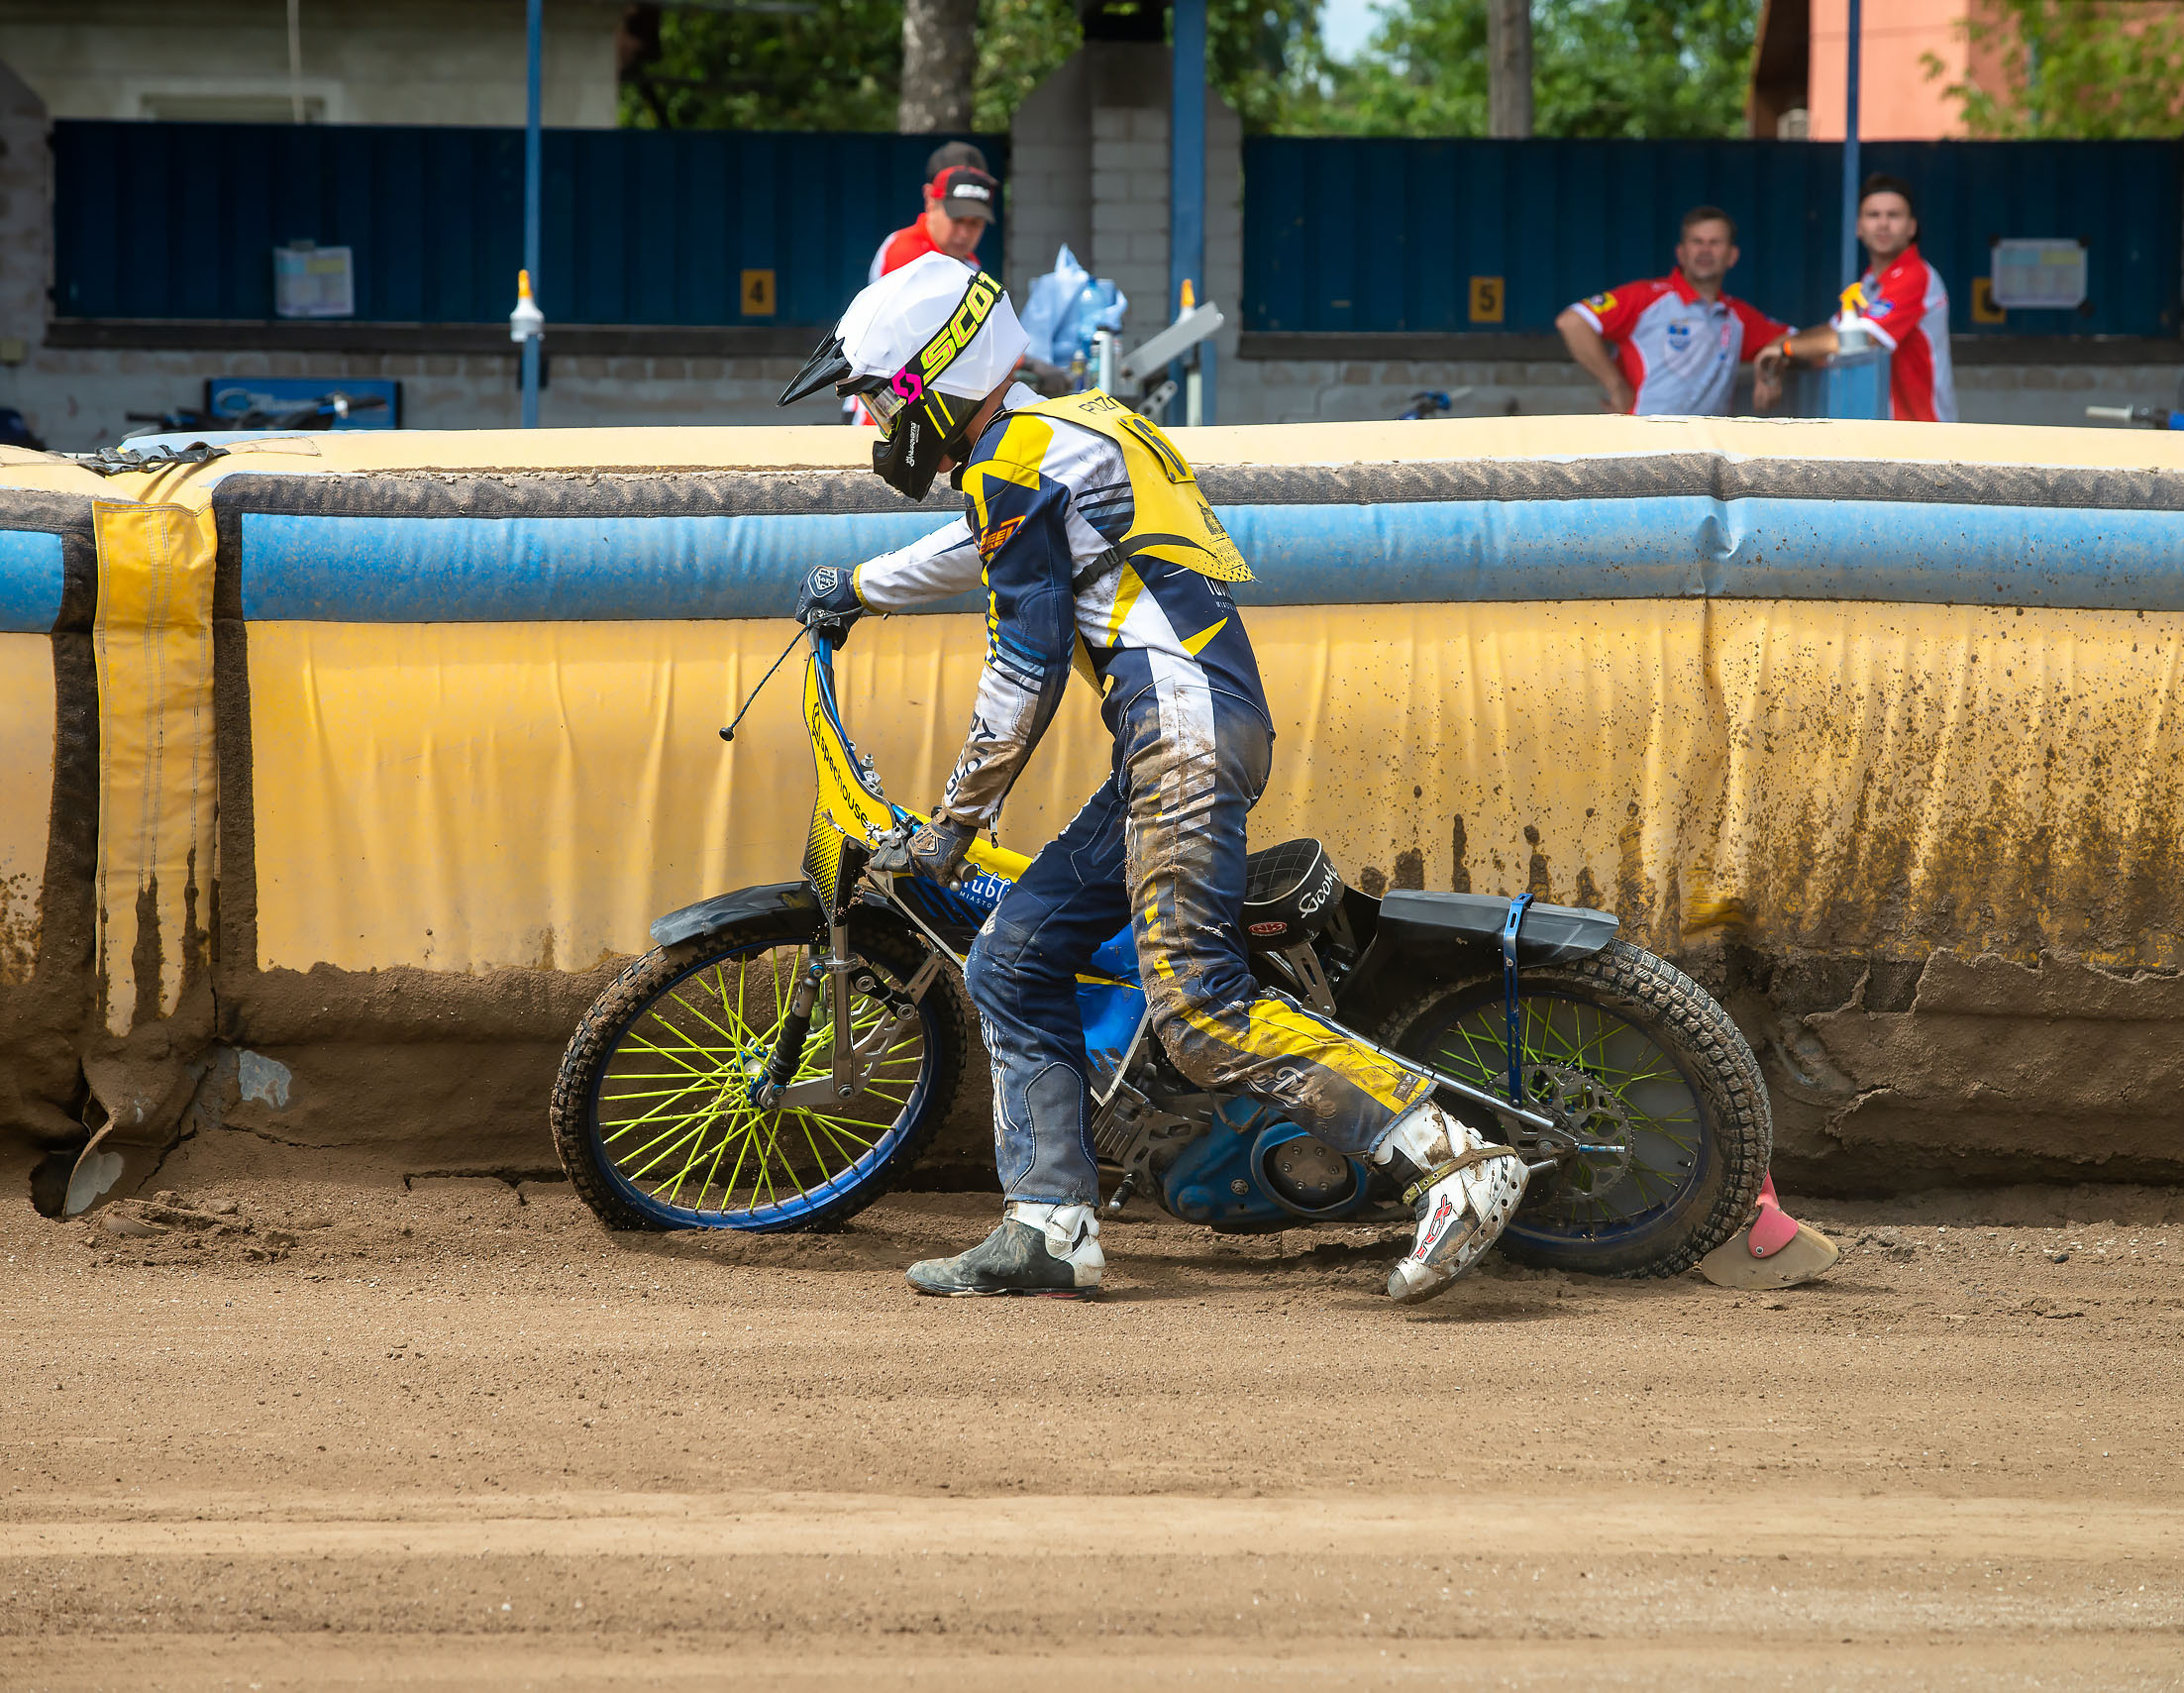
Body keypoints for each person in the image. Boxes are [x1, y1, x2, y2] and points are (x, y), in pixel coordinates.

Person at [777, 254, 1529, 1304]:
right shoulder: (1071, 426)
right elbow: (983, 542)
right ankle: (1048, 1225)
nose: (873, 427)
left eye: (877, 400)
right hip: (1194, 726)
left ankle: (1450, 1151)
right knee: (1012, 957)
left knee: (1200, 1007)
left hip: (1176, 737)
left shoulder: (1012, 459)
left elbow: (1023, 666)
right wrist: (859, 585)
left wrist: (954, 822)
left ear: (931, 382)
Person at [1755, 172, 1955, 423]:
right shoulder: (1869, 284)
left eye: (1893, 215)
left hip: (1924, 432)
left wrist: (1785, 349)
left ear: (1911, 227)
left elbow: (1859, 339)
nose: (1883, 224)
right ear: (1858, 227)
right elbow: (1831, 332)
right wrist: (1777, 348)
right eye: (1873, 215)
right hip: (1891, 432)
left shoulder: (1915, 275)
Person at [1555, 207, 1793, 416]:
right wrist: (1615, 384)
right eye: (1697, 242)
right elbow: (1573, 321)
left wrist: (1771, 369)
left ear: (1732, 256)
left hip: (1707, 452)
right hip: (1641, 443)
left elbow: (1798, 341)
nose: (1705, 250)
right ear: (1681, 253)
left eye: (1715, 242)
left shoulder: (1738, 316)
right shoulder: (1647, 297)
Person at [869, 159, 996, 283]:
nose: (964, 233)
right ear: (931, 202)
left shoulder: (966, 258)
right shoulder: (907, 255)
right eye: (957, 219)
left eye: (975, 223)